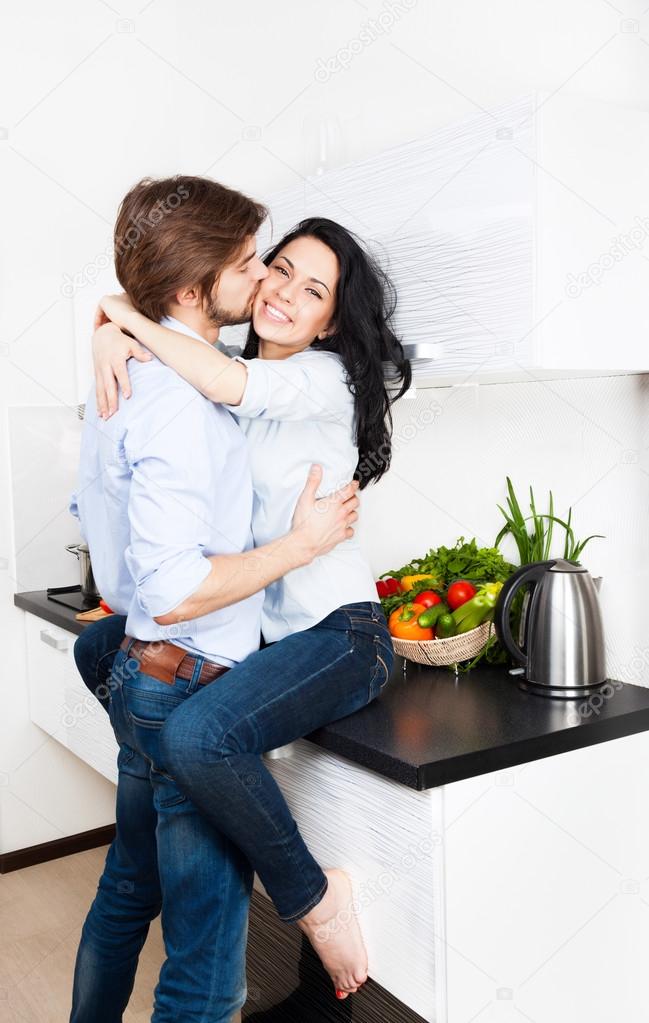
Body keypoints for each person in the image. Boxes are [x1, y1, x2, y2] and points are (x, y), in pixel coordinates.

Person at [87, 213, 411, 1002]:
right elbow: (209, 372)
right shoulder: (215, 367)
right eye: (280, 269)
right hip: (267, 641)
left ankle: (312, 897)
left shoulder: (319, 379)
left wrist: (120, 315)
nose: (285, 294)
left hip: (342, 633)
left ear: (331, 320)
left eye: (314, 292)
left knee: (197, 735)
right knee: (103, 654)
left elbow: (232, 382)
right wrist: (104, 326)